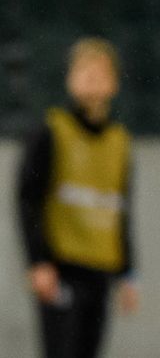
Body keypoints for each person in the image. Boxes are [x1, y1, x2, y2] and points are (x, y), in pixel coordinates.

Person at [17, 37, 139, 358]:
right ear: (70, 79)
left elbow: (122, 210)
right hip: (63, 266)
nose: (92, 78)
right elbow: (28, 199)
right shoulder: (51, 131)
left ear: (114, 82)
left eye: (100, 71)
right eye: (84, 71)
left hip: (100, 269)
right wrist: (38, 261)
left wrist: (127, 273)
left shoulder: (119, 141)